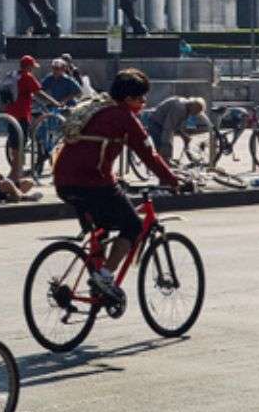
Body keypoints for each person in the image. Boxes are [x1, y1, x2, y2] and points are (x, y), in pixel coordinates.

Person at [54, 68, 187, 304]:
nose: (144, 103)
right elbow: (149, 155)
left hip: (64, 182)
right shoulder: (124, 117)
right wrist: (173, 180)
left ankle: (97, 278)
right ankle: (104, 277)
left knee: (103, 228)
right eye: (141, 98)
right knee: (134, 226)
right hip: (92, 183)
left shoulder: (97, 106)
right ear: (128, 99)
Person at [142, 95, 208, 165]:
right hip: (156, 123)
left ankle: (164, 162)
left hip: (160, 121)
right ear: (193, 107)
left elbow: (176, 125)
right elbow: (168, 127)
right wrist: (166, 147)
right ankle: (162, 165)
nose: (195, 114)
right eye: (196, 111)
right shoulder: (180, 108)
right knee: (163, 146)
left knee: (166, 146)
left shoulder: (186, 106)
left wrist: (183, 135)